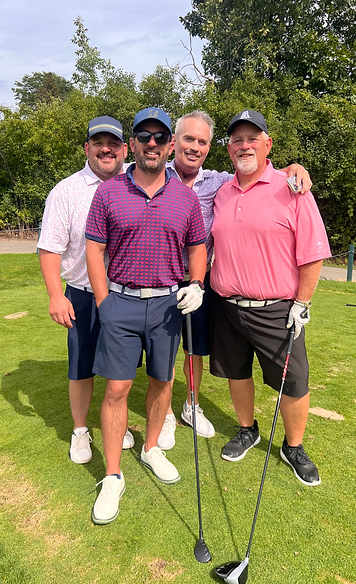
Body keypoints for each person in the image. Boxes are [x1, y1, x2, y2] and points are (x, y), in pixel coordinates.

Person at [157, 110, 314, 451]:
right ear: (173, 143)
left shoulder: (218, 182)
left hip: (201, 284)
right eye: (188, 138)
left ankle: (193, 406)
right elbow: (120, 168)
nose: (194, 146)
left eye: (202, 141)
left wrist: (294, 168)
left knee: (195, 350)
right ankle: (170, 414)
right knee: (172, 354)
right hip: (166, 283)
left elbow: (260, 174)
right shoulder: (157, 175)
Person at [85, 107, 207, 524]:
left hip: (167, 306)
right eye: (144, 136)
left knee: (162, 380)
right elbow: (94, 250)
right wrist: (103, 302)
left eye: (159, 137)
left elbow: (197, 247)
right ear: (132, 144)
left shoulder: (186, 197)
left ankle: (151, 447)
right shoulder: (109, 192)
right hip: (120, 301)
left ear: (170, 145)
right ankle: (113, 475)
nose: (151, 143)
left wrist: (197, 283)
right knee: (117, 388)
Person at [209, 109, 331, 486]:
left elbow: (312, 252)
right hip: (227, 306)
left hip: (277, 310)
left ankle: (293, 447)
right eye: (237, 140)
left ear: (268, 145)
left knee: (293, 381)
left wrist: (302, 303)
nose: (244, 145)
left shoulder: (292, 187)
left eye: (252, 138)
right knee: (236, 372)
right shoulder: (221, 191)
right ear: (229, 148)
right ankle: (248, 429)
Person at [37, 116, 135, 465]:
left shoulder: (138, 182)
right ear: (87, 148)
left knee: (120, 368)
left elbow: (184, 164)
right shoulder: (66, 191)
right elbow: (50, 247)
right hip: (82, 293)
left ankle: (116, 423)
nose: (106, 149)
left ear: (126, 149)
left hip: (124, 293)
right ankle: (80, 429)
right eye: (98, 143)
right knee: (81, 367)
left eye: (113, 143)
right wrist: (55, 294)